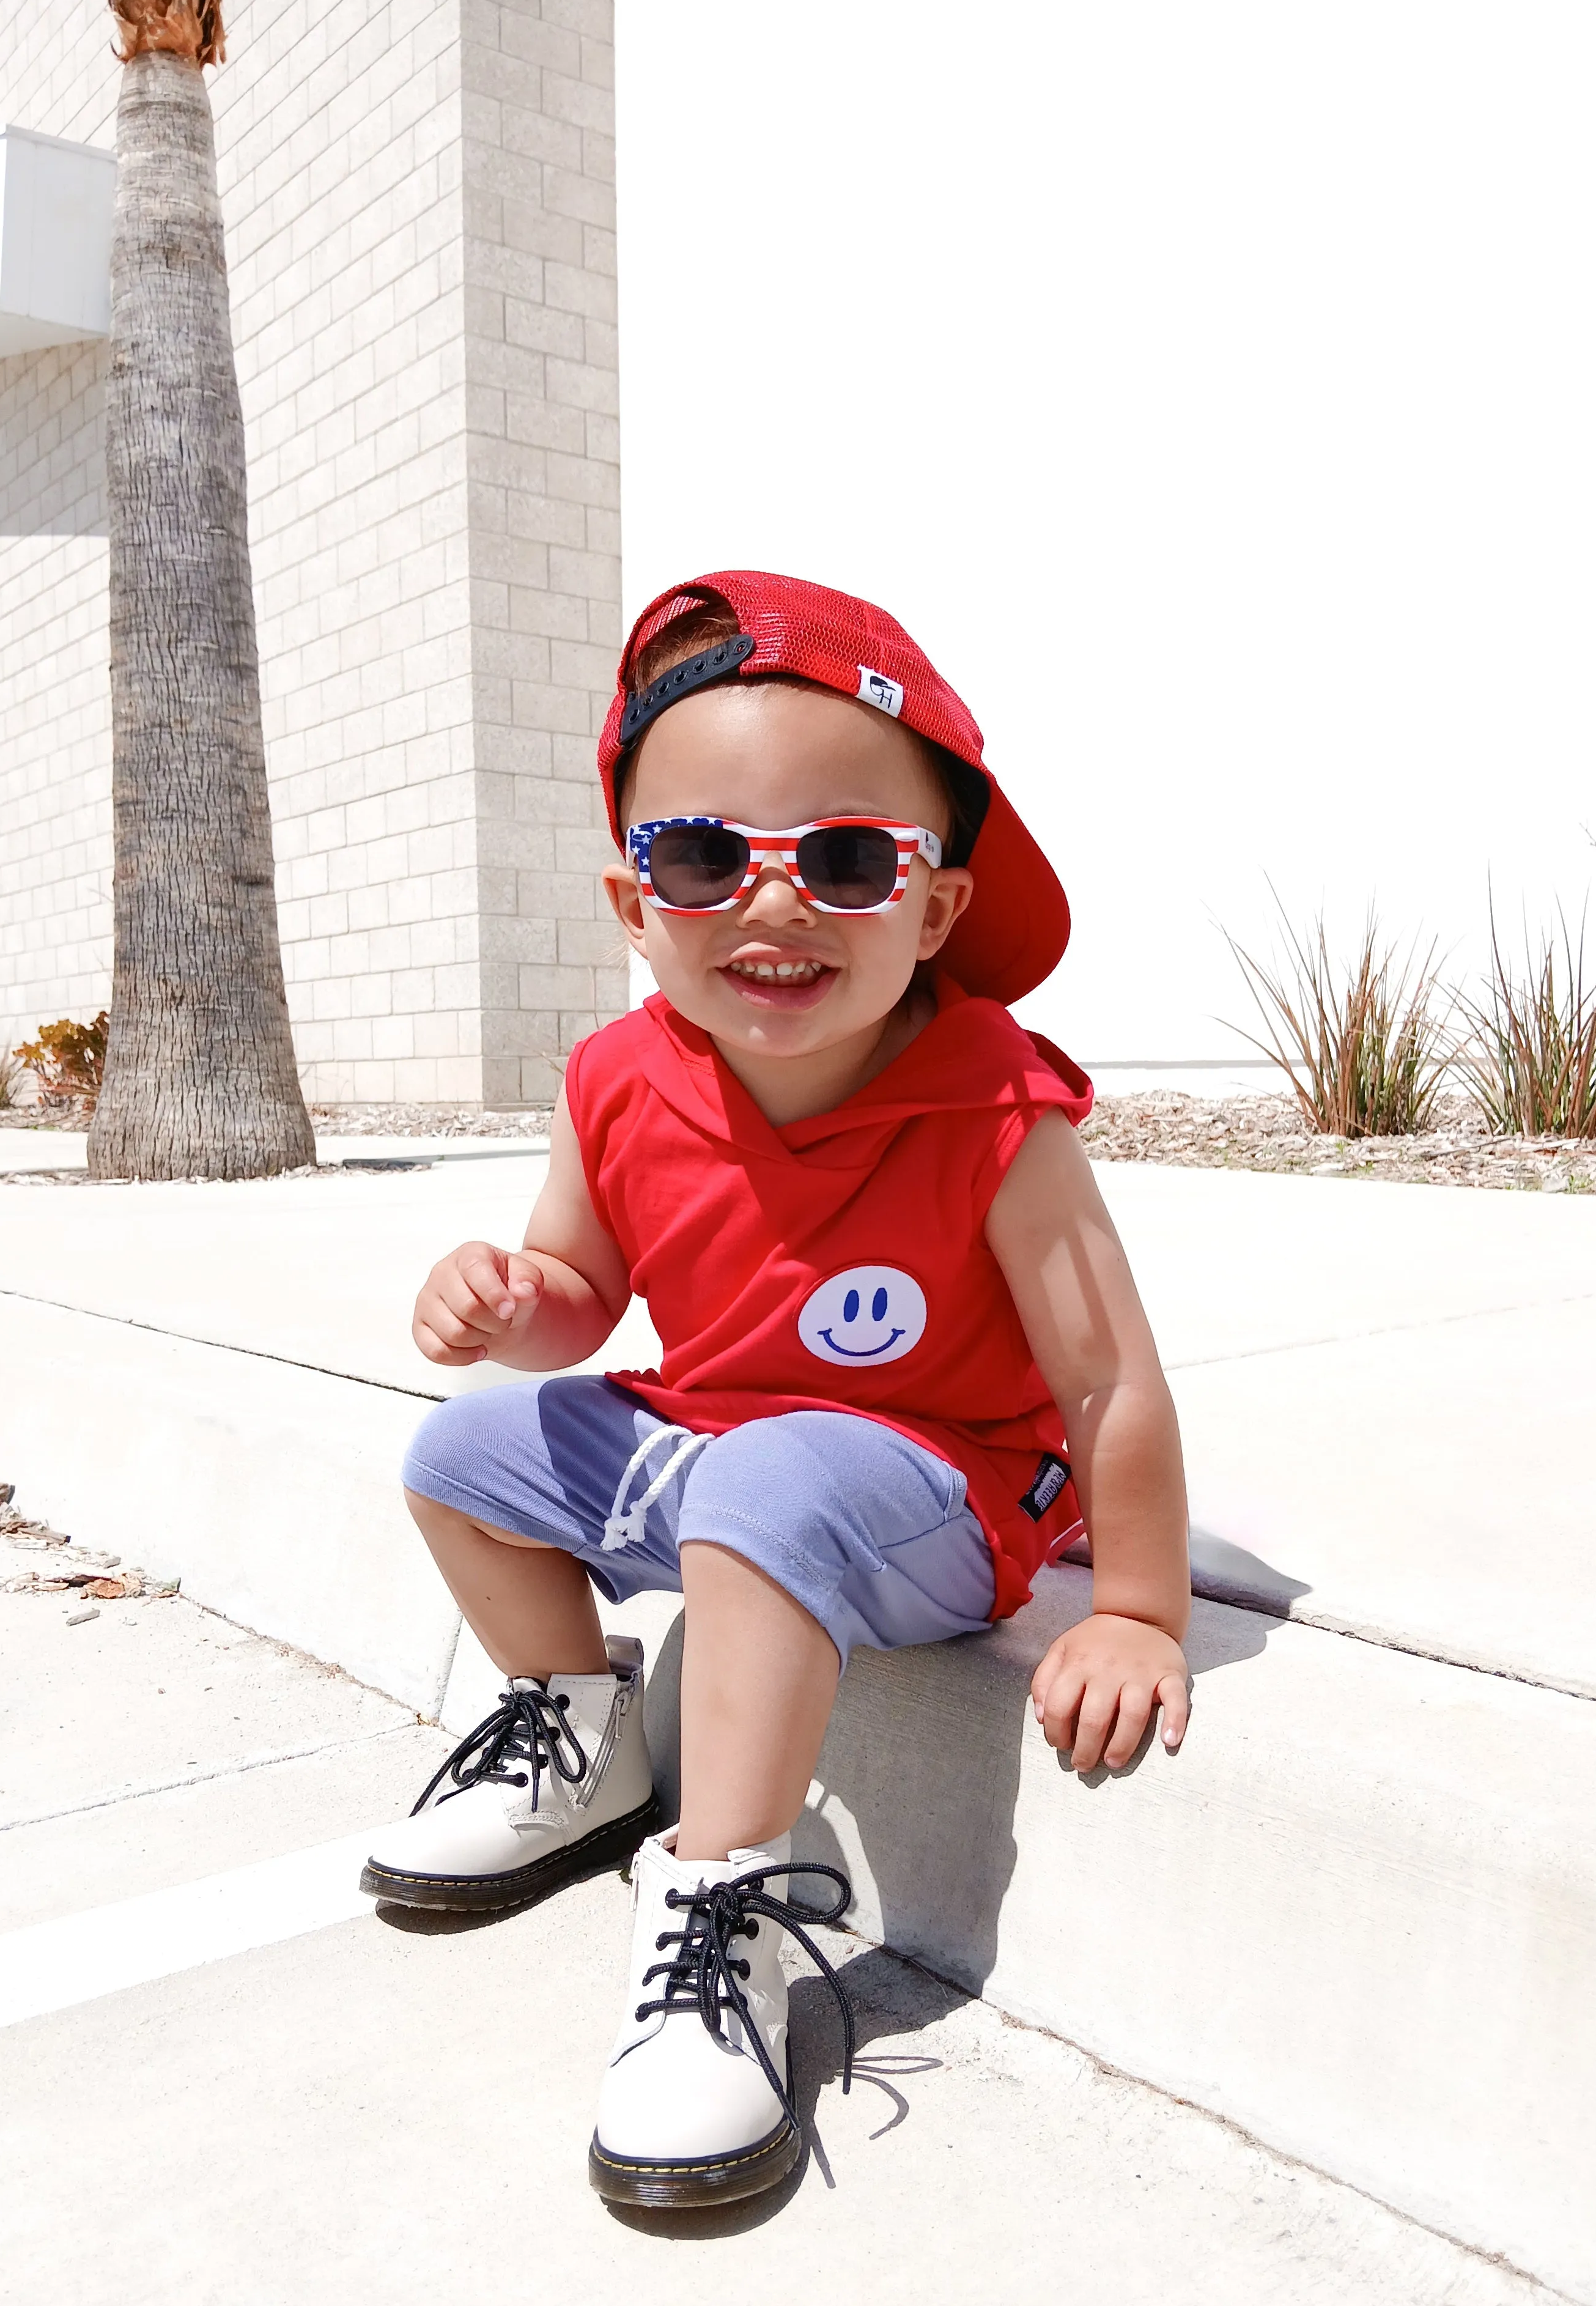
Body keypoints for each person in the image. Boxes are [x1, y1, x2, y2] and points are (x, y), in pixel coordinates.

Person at [360, 571, 1190, 2209]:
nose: (773, 905)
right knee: (461, 1454)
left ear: (934, 907)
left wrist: (1140, 1609)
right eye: (698, 856)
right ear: (631, 898)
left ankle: (719, 1894)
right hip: (726, 1445)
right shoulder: (612, 1081)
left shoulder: (990, 1108)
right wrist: (514, 1304)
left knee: (766, 1486)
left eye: (844, 858)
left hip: (937, 1498)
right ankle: (576, 1726)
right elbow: (583, 1295)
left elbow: (1104, 1377)